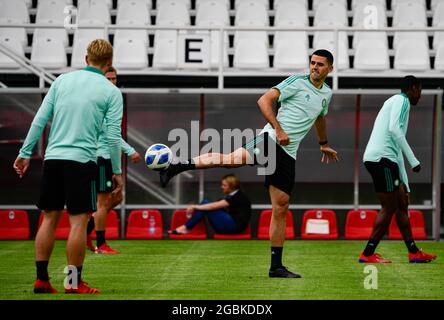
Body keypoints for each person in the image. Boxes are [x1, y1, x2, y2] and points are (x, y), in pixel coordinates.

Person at [159, 49, 339, 278]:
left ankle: (276, 267)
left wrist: (323, 143)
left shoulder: (326, 93)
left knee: (281, 207)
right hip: (271, 139)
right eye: (312, 63)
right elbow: (264, 100)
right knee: (230, 161)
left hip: (289, 152)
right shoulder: (297, 81)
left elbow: (320, 117)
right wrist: (278, 128)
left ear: (330, 69)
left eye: (320, 64)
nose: (314, 67)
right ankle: (175, 167)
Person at [13, 39, 123, 294]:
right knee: (77, 222)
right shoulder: (111, 92)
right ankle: (72, 283)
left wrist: (24, 153)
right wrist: (116, 171)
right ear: (109, 64)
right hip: (82, 161)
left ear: (86, 59)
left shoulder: (62, 81)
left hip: (53, 159)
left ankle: (41, 279)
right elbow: (113, 136)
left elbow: (40, 119)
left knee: (49, 218)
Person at [359, 75, 437, 264]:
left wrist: (406, 185)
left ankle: (413, 252)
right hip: (382, 160)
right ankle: (368, 253)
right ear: (412, 88)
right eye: (419, 90)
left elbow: (397, 146)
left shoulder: (396, 102)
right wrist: (414, 160)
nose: (420, 95)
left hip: (387, 160)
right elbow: (395, 130)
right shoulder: (402, 101)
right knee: (390, 206)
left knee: (402, 203)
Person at [86, 66, 141, 254]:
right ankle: (100, 244)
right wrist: (131, 151)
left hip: (108, 158)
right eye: (107, 79)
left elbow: (114, 135)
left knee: (117, 197)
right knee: (102, 202)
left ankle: (86, 230)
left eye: (114, 79)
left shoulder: (112, 100)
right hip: (101, 158)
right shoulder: (99, 103)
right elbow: (112, 136)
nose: (111, 82)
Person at [169, 174, 251, 235]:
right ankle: (186, 227)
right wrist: (198, 207)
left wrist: (194, 206)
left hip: (234, 228)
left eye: (224, 185)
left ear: (232, 186)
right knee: (205, 205)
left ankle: (186, 227)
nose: (222, 187)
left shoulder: (237, 196)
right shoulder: (232, 195)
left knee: (206, 204)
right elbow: (215, 205)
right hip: (231, 226)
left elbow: (213, 206)